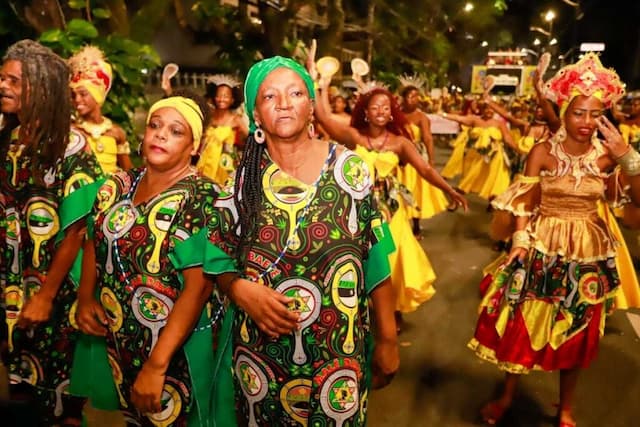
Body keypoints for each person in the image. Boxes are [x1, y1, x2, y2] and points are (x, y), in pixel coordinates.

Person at [205, 56, 399, 426]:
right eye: (269, 96)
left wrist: (387, 339)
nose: (283, 102)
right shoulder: (241, 182)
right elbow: (217, 259)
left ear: (311, 106)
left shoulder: (350, 170)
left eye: (295, 93)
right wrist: (240, 290)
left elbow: (375, 257)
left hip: (338, 354)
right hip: (261, 359)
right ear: (256, 115)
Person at [468, 53, 639, 427]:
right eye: (579, 112)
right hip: (541, 249)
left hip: (589, 254)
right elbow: (524, 206)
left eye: (595, 114)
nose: (587, 122)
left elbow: (637, 200)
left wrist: (629, 158)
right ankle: (508, 395)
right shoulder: (542, 153)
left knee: (577, 333)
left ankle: (565, 408)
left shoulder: (610, 156)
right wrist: (518, 243)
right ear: (563, 112)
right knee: (523, 325)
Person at [74, 91, 223, 425]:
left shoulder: (203, 197)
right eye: (155, 125)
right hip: (122, 339)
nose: (160, 134)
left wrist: (157, 365)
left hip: (176, 351)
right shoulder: (117, 184)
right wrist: (85, 298)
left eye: (176, 131)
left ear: (194, 147)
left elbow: (197, 288)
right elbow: (92, 240)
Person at [311, 53, 468, 328]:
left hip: (392, 212)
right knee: (359, 260)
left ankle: (391, 309)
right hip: (357, 210)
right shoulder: (354, 137)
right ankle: (359, 307)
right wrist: (321, 82)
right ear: (366, 112)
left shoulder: (400, 143)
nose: (381, 111)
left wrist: (449, 190)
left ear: (391, 111)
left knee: (392, 259)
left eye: (386, 106)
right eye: (375, 107)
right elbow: (322, 116)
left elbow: (426, 170)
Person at [0, 39, 104, 425]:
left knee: (58, 400)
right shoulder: (9, 139)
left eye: (14, 80)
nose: (3, 86)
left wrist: (44, 296)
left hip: (55, 291)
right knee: (21, 389)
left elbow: (79, 231)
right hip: (13, 286)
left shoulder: (73, 147)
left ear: (42, 87)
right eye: (1, 78)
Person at [69, 45, 133, 174]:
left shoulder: (116, 133)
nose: (77, 100)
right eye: (73, 95)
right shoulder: (71, 131)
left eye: (83, 94)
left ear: (97, 95)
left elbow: (129, 174)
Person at [440, 101, 518, 201]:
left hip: (495, 155)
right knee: (468, 180)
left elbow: (507, 138)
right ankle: (456, 199)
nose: (489, 111)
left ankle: (494, 200)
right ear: (481, 110)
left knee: (495, 178)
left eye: (491, 109)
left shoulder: (499, 124)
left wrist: (517, 148)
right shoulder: (475, 120)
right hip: (476, 155)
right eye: (486, 109)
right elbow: (459, 118)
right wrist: (444, 114)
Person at [399, 83, 450, 234]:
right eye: (410, 96)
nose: (414, 99)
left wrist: (431, 160)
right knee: (399, 189)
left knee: (414, 190)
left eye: (416, 96)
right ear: (403, 98)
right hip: (398, 157)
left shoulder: (421, 117)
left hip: (415, 158)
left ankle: (415, 224)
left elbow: (428, 138)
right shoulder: (396, 114)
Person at [196, 74, 248, 187]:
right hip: (204, 164)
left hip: (224, 167)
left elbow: (251, 137)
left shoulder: (236, 119)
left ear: (232, 99)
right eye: (219, 95)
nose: (221, 99)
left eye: (226, 96)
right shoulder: (209, 117)